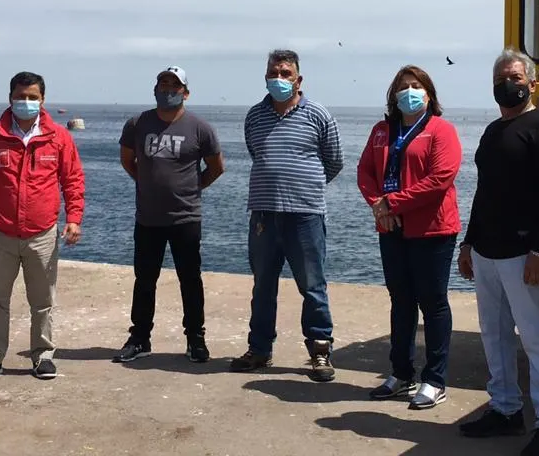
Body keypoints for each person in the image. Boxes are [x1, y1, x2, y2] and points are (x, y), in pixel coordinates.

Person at [457, 48, 539, 456]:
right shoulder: (491, 133)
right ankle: (505, 409)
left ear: (532, 83)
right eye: (502, 78)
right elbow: (484, 192)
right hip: (487, 252)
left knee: (537, 337)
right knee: (495, 334)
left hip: (524, 254)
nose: (508, 85)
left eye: (516, 78)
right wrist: (468, 242)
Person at [0, 71, 85, 382]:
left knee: (43, 300)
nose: (26, 102)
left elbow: (72, 181)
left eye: (32, 97)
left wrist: (74, 218)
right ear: (10, 98)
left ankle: (42, 355)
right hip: (0, 233)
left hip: (43, 233)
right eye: (21, 96)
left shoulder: (59, 138)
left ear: (42, 100)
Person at [231, 49, 343, 382]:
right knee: (262, 286)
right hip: (264, 216)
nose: (279, 78)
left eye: (285, 73)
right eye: (273, 73)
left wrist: (303, 186)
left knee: (312, 287)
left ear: (298, 78)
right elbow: (257, 153)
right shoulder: (255, 116)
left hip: (305, 216)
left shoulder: (318, 115)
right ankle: (260, 350)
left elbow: (333, 162)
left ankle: (320, 351)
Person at [357, 65, 461, 409]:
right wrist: (378, 205)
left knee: (432, 303)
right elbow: (365, 171)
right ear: (393, 95)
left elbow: (440, 178)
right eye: (403, 87)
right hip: (392, 228)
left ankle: (435, 380)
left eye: (417, 86)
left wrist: (393, 203)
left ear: (429, 94)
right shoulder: (381, 131)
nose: (410, 92)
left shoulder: (441, 130)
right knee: (400, 301)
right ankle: (401, 373)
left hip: (432, 229)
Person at [114, 66, 224, 363]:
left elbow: (216, 167)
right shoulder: (137, 123)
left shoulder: (200, 128)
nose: (168, 90)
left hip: (186, 218)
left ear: (185, 92)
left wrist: (193, 188)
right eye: (163, 84)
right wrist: (147, 183)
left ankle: (195, 339)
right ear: (154, 89)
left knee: (190, 279)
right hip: (148, 219)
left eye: (174, 86)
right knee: (144, 279)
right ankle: (139, 338)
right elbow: (128, 161)